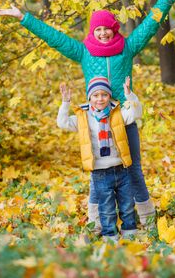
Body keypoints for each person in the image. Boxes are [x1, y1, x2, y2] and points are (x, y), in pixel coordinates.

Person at [0, 0, 175, 229]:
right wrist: (24, 17)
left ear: (114, 30)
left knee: (133, 169)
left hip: (122, 118)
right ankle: (95, 221)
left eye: (106, 29)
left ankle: (148, 218)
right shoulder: (84, 52)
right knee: (96, 172)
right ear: (93, 31)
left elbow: (149, 25)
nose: (102, 33)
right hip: (95, 119)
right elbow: (53, 38)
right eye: (98, 29)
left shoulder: (127, 48)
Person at [57, 76, 142, 241]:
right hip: (100, 172)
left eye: (104, 95)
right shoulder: (84, 117)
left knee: (127, 204)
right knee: (107, 207)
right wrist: (65, 103)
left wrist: (129, 95)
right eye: (95, 95)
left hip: (121, 167)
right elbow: (62, 122)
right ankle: (110, 236)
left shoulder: (117, 113)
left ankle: (130, 233)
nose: (100, 99)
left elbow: (136, 113)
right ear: (89, 97)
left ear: (109, 96)